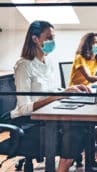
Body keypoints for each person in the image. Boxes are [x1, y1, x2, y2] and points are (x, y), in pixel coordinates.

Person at [10, 20, 91, 172]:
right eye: (49, 37)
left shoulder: (49, 62)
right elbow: (23, 108)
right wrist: (58, 97)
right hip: (29, 122)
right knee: (75, 130)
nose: (52, 42)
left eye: (53, 38)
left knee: (82, 125)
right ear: (35, 39)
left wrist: (70, 89)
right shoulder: (24, 66)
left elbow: (52, 90)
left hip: (49, 115)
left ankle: (62, 168)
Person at [69, 32, 97, 149]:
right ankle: (94, 134)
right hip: (75, 92)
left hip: (88, 91)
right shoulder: (79, 58)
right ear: (87, 45)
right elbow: (90, 78)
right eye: (94, 43)